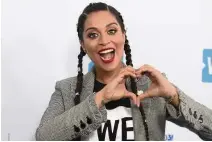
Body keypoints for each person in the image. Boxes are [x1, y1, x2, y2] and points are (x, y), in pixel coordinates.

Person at [35, 2, 212, 141]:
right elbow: (44, 137)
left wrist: (174, 96)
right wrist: (100, 98)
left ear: (123, 35)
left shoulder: (151, 84)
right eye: (93, 35)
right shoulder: (66, 89)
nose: (104, 41)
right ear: (83, 44)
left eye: (111, 31)